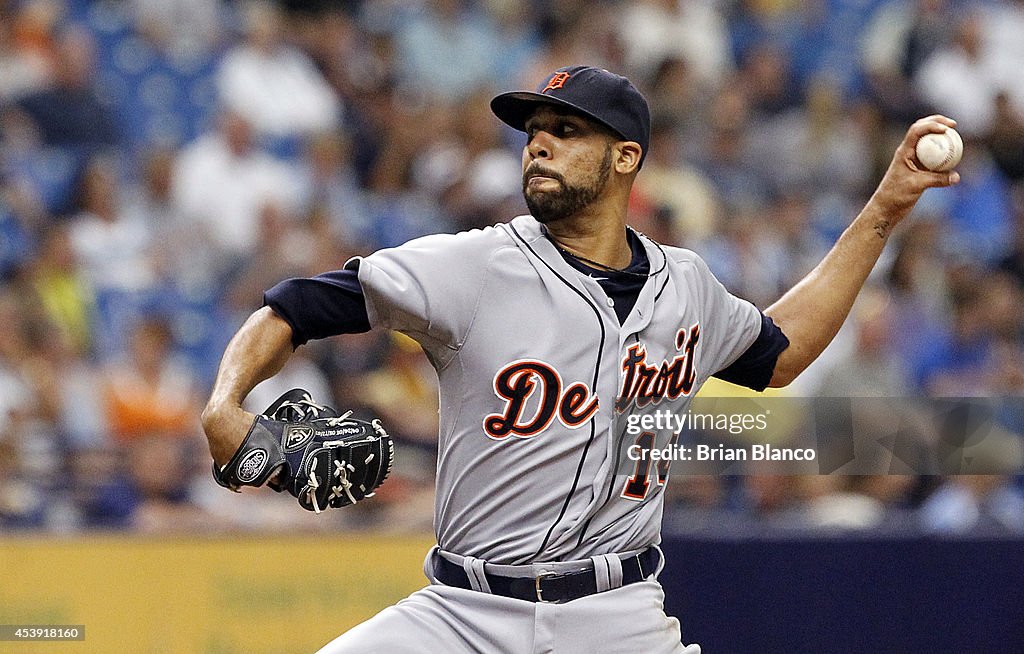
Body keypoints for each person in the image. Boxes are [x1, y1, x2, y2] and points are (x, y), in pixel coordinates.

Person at [201, 65, 959, 653]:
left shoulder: (686, 287)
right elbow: (294, 306)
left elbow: (781, 350)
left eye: (566, 130)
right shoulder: (471, 268)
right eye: (534, 129)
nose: (539, 142)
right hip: (464, 613)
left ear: (627, 157)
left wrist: (887, 206)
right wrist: (225, 405)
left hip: (617, 615)